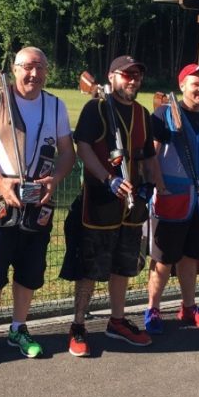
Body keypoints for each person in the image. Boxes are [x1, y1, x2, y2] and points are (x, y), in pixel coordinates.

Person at [0, 46, 76, 363]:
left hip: (38, 202)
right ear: (14, 69)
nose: (34, 74)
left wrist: (54, 180)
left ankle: (18, 328)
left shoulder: (56, 106)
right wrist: (0, 182)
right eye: (27, 66)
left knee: (29, 272)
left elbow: (68, 152)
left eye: (40, 67)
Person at [60, 55, 164, 357]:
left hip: (132, 207)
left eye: (137, 75)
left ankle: (117, 321)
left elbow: (147, 157)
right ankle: (78, 325)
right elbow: (83, 148)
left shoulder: (144, 115)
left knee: (124, 266)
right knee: (89, 269)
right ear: (112, 76)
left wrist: (154, 187)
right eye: (127, 74)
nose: (133, 80)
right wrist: (108, 179)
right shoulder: (97, 108)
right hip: (99, 204)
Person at [144, 63, 199, 335]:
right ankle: (153, 308)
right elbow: (151, 155)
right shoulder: (164, 114)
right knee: (163, 260)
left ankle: (188, 307)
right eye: (195, 84)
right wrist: (160, 186)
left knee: (190, 258)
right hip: (172, 199)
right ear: (182, 87)